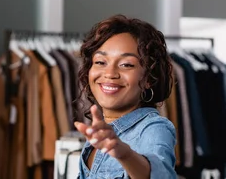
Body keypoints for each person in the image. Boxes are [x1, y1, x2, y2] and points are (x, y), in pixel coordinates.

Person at [73, 15, 177, 178]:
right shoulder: (99, 134)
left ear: (149, 78)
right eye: (101, 62)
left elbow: (159, 173)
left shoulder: (154, 128)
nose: (110, 73)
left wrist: (125, 154)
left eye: (126, 65)